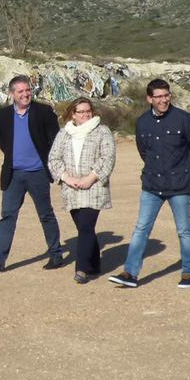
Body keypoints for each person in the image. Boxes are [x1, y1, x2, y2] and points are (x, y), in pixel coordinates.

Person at [109, 79, 190, 288]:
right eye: (159, 97)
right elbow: (144, 151)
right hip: (152, 185)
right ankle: (130, 273)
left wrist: (187, 172)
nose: (163, 100)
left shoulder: (184, 119)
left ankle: (189, 273)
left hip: (179, 186)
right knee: (141, 229)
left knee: (184, 230)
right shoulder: (142, 122)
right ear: (149, 99)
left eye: (166, 95)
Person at [0, 75, 66, 273]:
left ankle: (56, 255)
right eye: (20, 91)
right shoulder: (3, 115)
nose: (25, 94)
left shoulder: (43, 112)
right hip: (13, 175)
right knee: (7, 216)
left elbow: (55, 140)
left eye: (28, 90)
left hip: (38, 173)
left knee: (46, 215)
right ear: (12, 94)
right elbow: (3, 142)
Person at [48, 97, 117, 284]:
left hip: (93, 186)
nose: (86, 115)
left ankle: (82, 269)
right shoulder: (64, 133)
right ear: (73, 114)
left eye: (88, 111)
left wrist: (90, 178)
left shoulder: (102, 131)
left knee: (86, 226)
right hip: (71, 188)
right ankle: (94, 263)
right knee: (84, 228)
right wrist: (67, 178)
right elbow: (53, 159)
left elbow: (107, 157)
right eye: (81, 112)